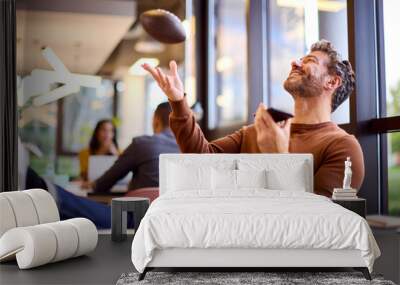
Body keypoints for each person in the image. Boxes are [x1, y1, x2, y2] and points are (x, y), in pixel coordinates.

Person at [142, 39, 365, 197]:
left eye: (310, 61)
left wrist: (280, 157)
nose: (295, 63)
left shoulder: (343, 148)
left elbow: (318, 221)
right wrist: (178, 101)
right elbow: (202, 159)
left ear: (332, 82)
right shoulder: (255, 132)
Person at [87, 102, 180, 193]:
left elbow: (107, 181)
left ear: (156, 120)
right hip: (175, 207)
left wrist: (94, 185)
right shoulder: (186, 148)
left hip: (140, 207)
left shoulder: (141, 143)